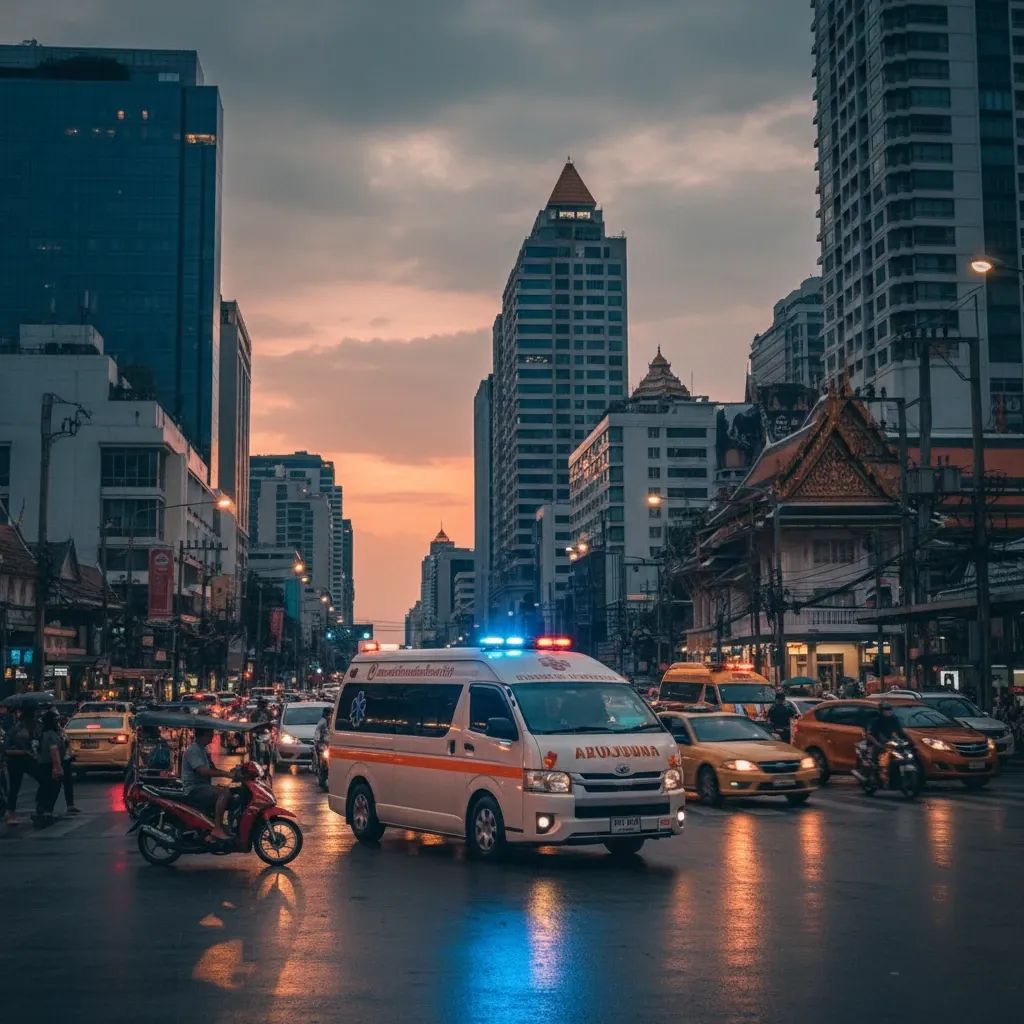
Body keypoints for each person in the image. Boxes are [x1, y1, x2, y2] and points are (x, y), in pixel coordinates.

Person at [182, 728, 235, 841]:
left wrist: (233, 772)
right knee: (224, 794)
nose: (212, 736)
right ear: (203, 735)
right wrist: (226, 774)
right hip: (195, 789)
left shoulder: (203, 750)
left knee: (228, 791)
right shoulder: (193, 750)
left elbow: (213, 769)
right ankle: (217, 829)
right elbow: (203, 771)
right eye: (210, 733)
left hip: (203, 787)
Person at [3, 707, 39, 826]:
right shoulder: (15, 730)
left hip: (28, 759)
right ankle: (10, 813)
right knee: (14, 787)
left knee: (42, 778)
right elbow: (6, 750)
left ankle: (41, 807)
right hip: (15, 761)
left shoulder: (33, 729)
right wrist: (24, 752)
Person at [34, 709, 65, 829]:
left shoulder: (49, 733)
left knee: (47, 786)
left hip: (45, 764)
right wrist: (57, 767)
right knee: (52, 787)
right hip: (49, 765)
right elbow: (54, 752)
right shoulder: (50, 735)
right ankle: (47, 809)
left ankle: (44, 809)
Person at [864, 702, 908, 770]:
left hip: (889, 742)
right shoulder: (875, 720)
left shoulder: (894, 719)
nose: (889, 711)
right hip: (876, 742)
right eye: (886, 710)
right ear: (881, 711)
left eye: (890, 709)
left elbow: (900, 732)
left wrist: (908, 741)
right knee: (874, 760)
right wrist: (877, 744)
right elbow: (869, 734)